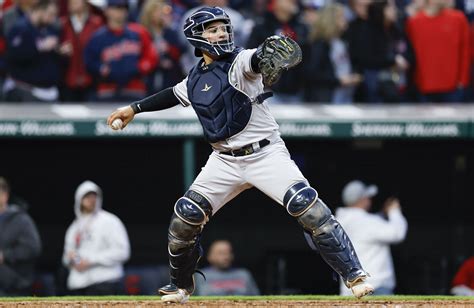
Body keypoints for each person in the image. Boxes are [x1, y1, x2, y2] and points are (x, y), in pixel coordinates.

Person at [107, 6, 374, 303]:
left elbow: (256, 59)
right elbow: (173, 93)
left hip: (265, 154)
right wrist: (133, 109)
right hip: (224, 160)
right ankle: (180, 286)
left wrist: (264, 55)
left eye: (223, 27)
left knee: (308, 208)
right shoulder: (196, 78)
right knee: (185, 218)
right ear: (196, 37)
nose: (221, 32)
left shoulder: (240, 62)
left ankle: (354, 275)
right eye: (212, 29)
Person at [335, 180, 408, 295]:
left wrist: (383, 214)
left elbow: (368, 225)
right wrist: (394, 211)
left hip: (350, 290)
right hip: (374, 287)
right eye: (367, 197)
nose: (369, 200)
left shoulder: (339, 221)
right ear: (361, 199)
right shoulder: (367, 222)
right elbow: (398, 233)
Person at [62, 180, 130, 295]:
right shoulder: (74, 227)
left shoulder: (110, 221)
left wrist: (90, 261)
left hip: (105, 283)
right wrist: (71, 259)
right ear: (79, 199)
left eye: (94, 196)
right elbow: (66, 257)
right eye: (87, 196)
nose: (91, 199)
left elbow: (122, 252)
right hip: (77, 284)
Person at [84, 0, 158, 102]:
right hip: (107, 89)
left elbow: (151, 57)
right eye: (116, 8)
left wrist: (140, 67)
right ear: (106, 11)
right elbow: (89, 61)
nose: (120, 12)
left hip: (134, 88)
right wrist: (101, 68)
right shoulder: (98, 37)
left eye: (123, 8)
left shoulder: (138, 32)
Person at [0, 177, 42, 296]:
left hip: (13, 286)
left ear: (5, 195)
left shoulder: (21, 220)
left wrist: (5, 255)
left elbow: (33, 248)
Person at [194, 240, 260, 296]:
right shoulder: (200, 275)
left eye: (228, 253)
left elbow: (257, 299)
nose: (226, 257)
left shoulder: (244, 274)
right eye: (221, 253)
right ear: (210, 256)